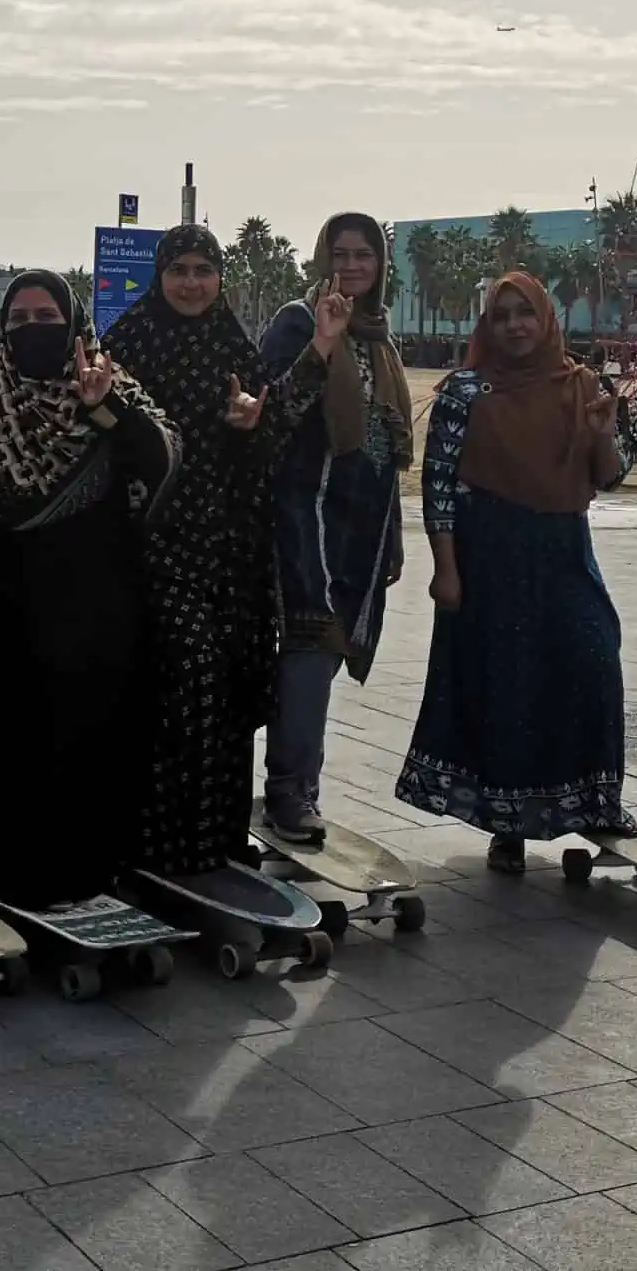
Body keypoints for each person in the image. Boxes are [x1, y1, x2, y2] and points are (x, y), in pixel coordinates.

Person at [0, 271, 178, 907]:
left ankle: (92, 879)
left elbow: (161, 462)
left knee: (94, 743)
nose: (32, 330)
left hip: (101, 609)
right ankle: (9, 885)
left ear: (72, 322)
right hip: (11, 612)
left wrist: (103, 406)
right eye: (18, 320)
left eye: (46, 317)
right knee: (16, 749)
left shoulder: (108, 385)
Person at [397, 272, 637, 871]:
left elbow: (607, 476)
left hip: (563, 552)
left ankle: (597, 802)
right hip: (490, 558)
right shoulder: (467, 393)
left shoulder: (581, 386)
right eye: (502, 316)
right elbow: (440, 486)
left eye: (524, 313)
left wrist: (604, 433)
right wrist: (445, 570)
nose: (514, 326)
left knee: (594, 659)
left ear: (546, 318)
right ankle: (505, 825)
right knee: (505, 688)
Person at [103, 225, 280, 877]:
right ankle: (159, 843)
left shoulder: (235, 347)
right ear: (159, 273)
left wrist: (251, 425)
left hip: (230, 554)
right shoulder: (126, 344)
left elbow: (270, 447)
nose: (191, 281)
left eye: (204, 268)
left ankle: (219, 842)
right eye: (179, 267)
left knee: (229, 690)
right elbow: (102, 444)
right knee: (191, 676)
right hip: (154, 549)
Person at [256, 212, 412, 844]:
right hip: (305, 515)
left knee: (327, 651)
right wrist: (322, 344)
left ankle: (299, 789)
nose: (351, 266)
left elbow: (386, 445)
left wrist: (394, 533)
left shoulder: (379, 337)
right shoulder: (299, 320)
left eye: (364, 254)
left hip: (362, 523)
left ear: (380, 265)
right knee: (310, 645)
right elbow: (273, 411)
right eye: (341, 253)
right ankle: (290, 792)